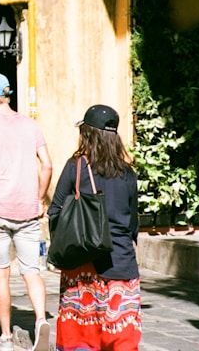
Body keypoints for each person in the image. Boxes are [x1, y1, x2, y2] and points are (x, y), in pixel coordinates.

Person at [0, 73, 52, 351]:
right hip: (27, 210)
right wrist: (39, 198)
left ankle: (5, 337)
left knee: (0, 273)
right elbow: (47, 165)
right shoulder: (31, 125)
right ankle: (40, 320)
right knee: (32, 271)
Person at [47, 105, 141, 350]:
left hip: (81, 264)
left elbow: (55, 212)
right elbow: (132, 224)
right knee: (121, 338)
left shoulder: (75, 167)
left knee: (81, 337)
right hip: (121, 264)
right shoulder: (128, 173)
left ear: (87, 135)